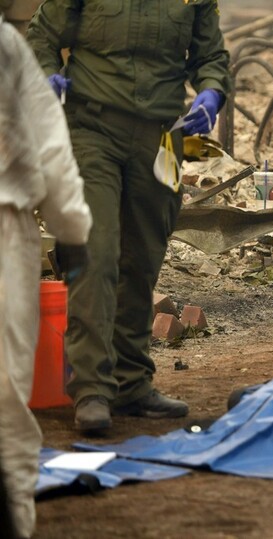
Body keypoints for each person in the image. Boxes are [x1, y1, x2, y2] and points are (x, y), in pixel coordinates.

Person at [26, 0, 232, 432]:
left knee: (143, 257)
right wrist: (45, 74)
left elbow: (210, 55)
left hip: (165, 137)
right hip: (91, 127)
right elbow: (42, 35)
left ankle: (132, 383)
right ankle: (91, 389)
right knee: (95, 251)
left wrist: (212, 92)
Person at [0, 13, 92, 538]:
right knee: (4, 401)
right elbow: (52, 147)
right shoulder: (7, 47)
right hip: (5, 226)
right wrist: (72, 231)